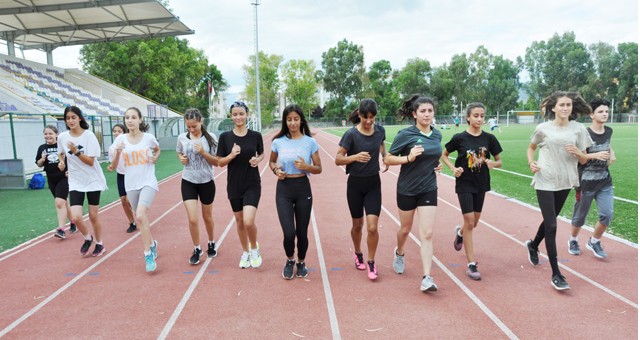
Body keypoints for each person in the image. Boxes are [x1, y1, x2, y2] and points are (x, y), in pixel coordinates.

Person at [526, 91, 593, 291]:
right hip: (545, 179)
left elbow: (583, 159)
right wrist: (532, 162)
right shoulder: (543, 128)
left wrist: (579, 153)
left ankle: (533, 244)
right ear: (553, 108)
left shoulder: (579, 129)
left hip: (565, 180)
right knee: (553, 226)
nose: (565, 108)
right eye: (562, 105)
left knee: (550, 220)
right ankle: (556, 273)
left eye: (569, 105)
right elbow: (531, 148)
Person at [384, 95, 442, 292]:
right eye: (423, 111)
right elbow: (388, 159)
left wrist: (435, 164)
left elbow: (432, 157)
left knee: (427, 233)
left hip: (428, 188)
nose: (427, 114)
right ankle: (399, 251)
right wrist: (408, 158)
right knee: (405, 229)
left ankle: (427, 277)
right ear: (414, 114)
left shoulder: (437, 135)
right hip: (407, 189)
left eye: (430, 110)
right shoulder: (405, 134)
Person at [441, 103, 503, 281]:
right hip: (465, 183)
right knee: (469, 221)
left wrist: (493, 164)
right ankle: (471, 264)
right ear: (468, 117)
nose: (479, 119)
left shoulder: (490, 138)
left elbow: (499, 161)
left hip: (481, 183)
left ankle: (460, 234)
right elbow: (444, 154)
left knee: (473, 223)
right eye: (476, 115)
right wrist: (453, 168)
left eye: (482, 116)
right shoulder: (459, 138)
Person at [335, 99, 387, 281]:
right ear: (359, 115)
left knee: (372, 227)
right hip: (355, 185)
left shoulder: (380, 130)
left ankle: (372, 262)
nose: (368, 121)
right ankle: (358, 253)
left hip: (374, 183)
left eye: (372, 117)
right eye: (365, 117)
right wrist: (355, 157)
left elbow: (381, 143)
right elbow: (338, 159)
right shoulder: (351, 135)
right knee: (357, 225)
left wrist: (385, 156)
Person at [269, 104, 322, 280]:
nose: (292, 123)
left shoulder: (310, 142)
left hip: (302, 187)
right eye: (289, 119)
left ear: (301, 120)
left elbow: (318, 168)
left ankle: (301, 262)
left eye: (296, 119)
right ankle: (290, 259)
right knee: (289, 232)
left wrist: (307, 167)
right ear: (285, 121)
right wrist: (276, 171)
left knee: (301, 232)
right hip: (283, 188)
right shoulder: (278, 142)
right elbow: (271, 162)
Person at [110, 108, 161, 272]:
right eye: (127, 118)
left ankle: (147, 254)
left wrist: (155, 157)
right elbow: (115, 165)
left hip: (148, 181)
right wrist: (118, 153)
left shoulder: (148, 138)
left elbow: (157, 149)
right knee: (142, 219)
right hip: (130, 184)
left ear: (140, 120)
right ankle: (152, 244)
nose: (130, 120)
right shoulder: (120, 140)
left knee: (139, 215)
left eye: (133, 117)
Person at [216, 101, 264, 269]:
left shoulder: (256, 136)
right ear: (231, 116)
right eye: (235, 114)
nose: (238, 117)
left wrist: (257, 160)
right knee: (239, 221)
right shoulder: (225, 137)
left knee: (248, 221)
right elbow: (220, 163)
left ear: (247, 114)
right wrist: (231, 155)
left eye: (241, 114)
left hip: (252, 183)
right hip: (234, 185)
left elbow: (262, 154)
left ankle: (254, 248)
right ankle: (245, 251)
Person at [568, 98, 616, 259]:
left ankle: (594, 241)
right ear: (591, 115)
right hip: (585, 183)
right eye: (601, 111)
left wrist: (611, 152)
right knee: (580, 217)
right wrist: (595, 155)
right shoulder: (584, 133)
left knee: (607, 215)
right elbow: (581, 159)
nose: (605, 114)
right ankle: (573, 240)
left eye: (606, 112)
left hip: (604, 182)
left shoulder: (609, 131)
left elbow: (607, 145)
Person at [57, 106, 108, 256]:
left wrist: (76, 152)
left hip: (92, 179)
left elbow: (90, 162)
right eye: (68, 118)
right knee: (76, 217)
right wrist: (61, 162)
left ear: (80, 118)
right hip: (75, 180)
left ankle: (99, 243)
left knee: (93, 215)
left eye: (73, 117)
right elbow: (61, 153)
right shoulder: (62, 137)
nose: (71, 121)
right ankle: (87, 238)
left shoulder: (89, 136)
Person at [177, 108, 219, 265]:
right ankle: (197, 248)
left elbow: (217, 161)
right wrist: (181, 158)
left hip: (207, 181)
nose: (191, 129)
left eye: (194, 126)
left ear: (201, 121)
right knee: (193, 219)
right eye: (188, 126)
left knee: (207, 217)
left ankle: (211, 242)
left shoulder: (211, 138)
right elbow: (179, 152)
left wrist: (203, 152)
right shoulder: (182, 137)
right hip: (188, 181)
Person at [35, 125, 76, 239]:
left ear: (56, 134)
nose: (48, 136)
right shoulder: (42, 147)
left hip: (63, 178)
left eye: (50, 133)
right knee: (63, 203)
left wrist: (69, 170)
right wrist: (42, 160)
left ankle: (61, 230)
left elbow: (72, 159)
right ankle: (73, 222)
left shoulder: (61, 146)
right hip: (51, 179)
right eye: (46, 134)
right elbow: (38, 163)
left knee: (59, 203)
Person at [106, 124, 137, 233]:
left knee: (130, 200)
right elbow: (113, 165)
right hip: (121, 175)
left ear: (124, 133)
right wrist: (111, 167)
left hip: (132, 174)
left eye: (119, 131)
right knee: (124, 200)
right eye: (114, 131)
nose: (116, 133)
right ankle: (132, 222)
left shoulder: (129, 145)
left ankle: (140, 214)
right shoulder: (111, 149)